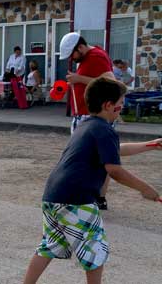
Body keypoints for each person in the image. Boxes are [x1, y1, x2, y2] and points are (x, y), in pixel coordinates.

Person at [22, 78, 162, 284]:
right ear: (108, 105)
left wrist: (149, 145)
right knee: (95, 250)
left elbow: (114, 151)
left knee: (50, 245)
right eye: (120, 104)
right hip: (77, 200)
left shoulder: (86, 126)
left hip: (53, 197)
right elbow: (114, 169)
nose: (121, 108)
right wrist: (145, 189)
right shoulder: (105, 130)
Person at [59, 32, 116, 210]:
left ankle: (88, 196)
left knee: (83, 157)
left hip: (90, 116)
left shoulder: (96, 56)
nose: (71, 59)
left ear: (81, 47)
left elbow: (111, 82)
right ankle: (97, 197)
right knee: (99, 156)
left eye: (72, 55)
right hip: (88, 115)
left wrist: (79, 79)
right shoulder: (90, 57)